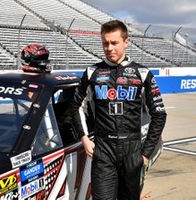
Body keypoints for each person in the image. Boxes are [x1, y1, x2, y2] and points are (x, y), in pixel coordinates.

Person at [71, 20, 167, 200]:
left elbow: (159, 114)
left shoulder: (142, 73)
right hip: (103, 149)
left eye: (114, 43)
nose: (109, 48)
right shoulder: (92, 72)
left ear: (126, 42)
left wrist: (146, 154)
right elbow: (75, 107)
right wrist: (84, 138)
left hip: (133, 149)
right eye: (105, 43)